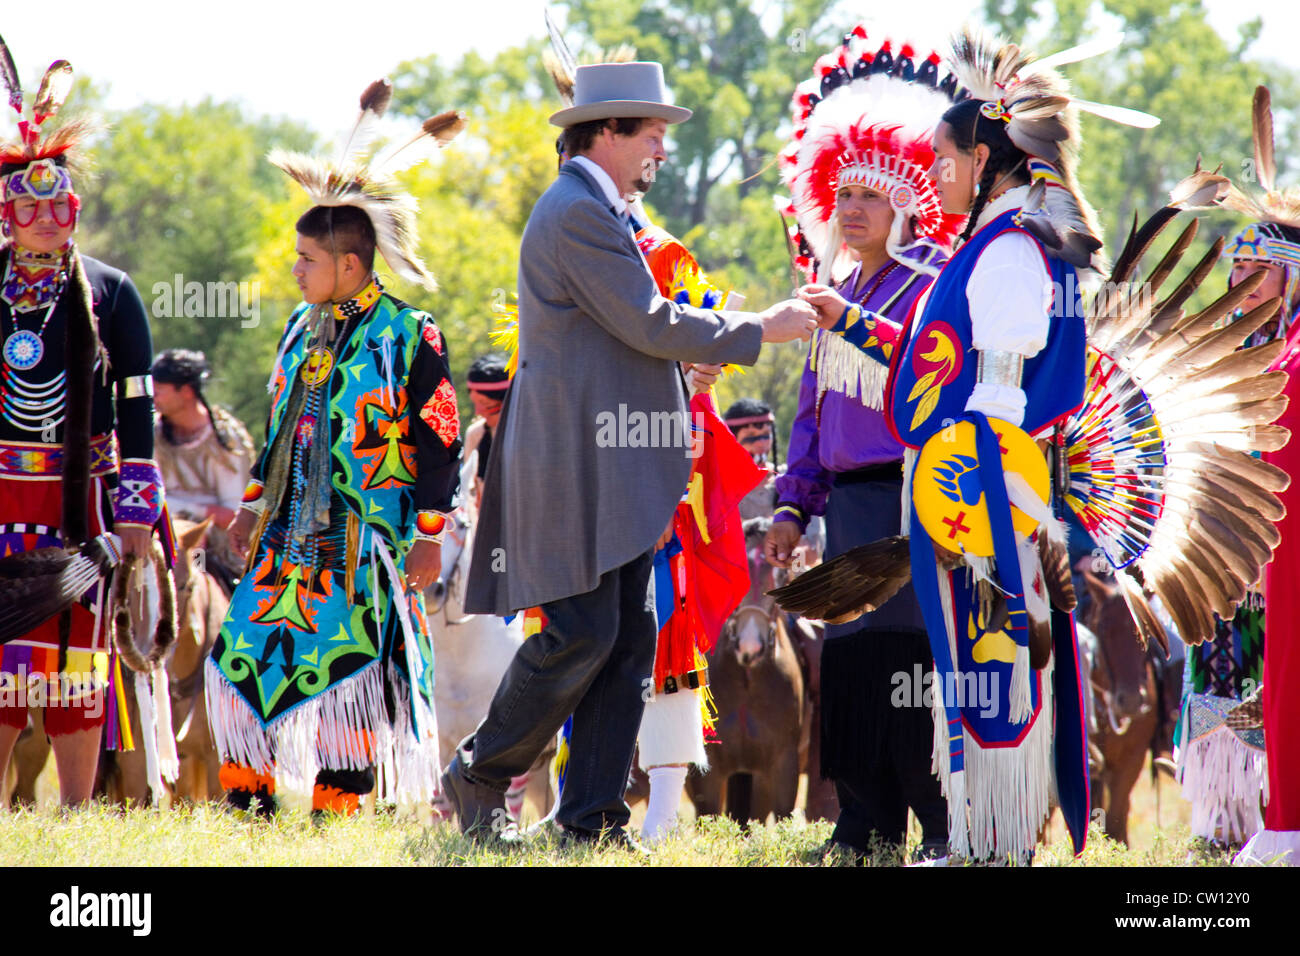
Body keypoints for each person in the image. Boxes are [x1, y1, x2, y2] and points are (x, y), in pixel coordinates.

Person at [451, 60, 818, 844]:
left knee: (627, 641)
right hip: (578, 469)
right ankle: (479, 773)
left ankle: (590, 818)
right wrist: (761, 328)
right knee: (584, 634)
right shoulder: (580, 212)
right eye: (652, 132)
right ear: (609, 132)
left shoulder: (597, 208)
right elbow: (649, 322)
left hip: (610, 472)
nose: (661, 147)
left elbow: (635, 336)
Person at [211, 84, 466, 815]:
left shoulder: (411, 334)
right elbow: (279, 430)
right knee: (240, 657)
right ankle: (248, 808)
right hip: (289, 531)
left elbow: (440, 440)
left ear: (349, 265)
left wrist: (428, 536)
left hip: (365, 538)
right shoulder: (300, 328)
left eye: (306, 259)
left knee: (350, 673)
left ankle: (336, 813)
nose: (295, 269)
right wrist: (251, 506)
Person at [764, 27, 961, 862]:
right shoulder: (833, 294)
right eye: (841, 196)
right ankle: (865, 820)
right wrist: (788, 505)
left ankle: (940, 820)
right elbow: (809, 418)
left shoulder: (932, 286)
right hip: (845, 506)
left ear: (906, 206)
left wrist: (854, 321)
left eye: (869, 198)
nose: (850, 211)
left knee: (910, 661)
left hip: (913, 501)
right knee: (849, 657)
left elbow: (927, 369)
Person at [0, 52, 160, 805]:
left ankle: (75, 815)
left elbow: (136, 402)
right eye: (29, 208)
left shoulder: (110, 291)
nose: (46, 218)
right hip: (1, 500)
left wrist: (136, 509)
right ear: (6, 213)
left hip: (81, 500)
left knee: (76, 661)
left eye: (60, 205)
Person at [151, 348, 254, 591]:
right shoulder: (152, 435)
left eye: (158, 392)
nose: (153, 398)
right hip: (161, 536)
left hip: (215, 547)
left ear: (185, 392)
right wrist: (204, 509)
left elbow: (231, 514)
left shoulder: (226, 440)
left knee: (212, 585)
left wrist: (190, 517)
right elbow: (148, 496)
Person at [461, 352, 510, 511]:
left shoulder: (528, 434)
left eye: (485, 403)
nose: (478, 411)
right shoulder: (475, 434)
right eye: (475, 403)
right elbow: (470, 490)